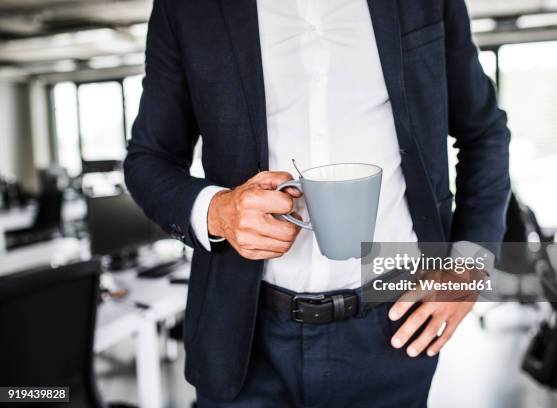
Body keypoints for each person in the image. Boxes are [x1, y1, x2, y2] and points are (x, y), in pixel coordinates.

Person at [124, 0, 510, 406]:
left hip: (394, 329)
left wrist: (469, 268)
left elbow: (484, 133)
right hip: (242, 337)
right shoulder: (185, 9)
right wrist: (217, 211)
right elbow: (148, 160)